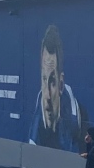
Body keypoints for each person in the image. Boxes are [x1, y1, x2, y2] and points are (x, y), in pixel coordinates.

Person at [28, 24, 85, 152]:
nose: (47, 95)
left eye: (52, 82)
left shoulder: (75, 119)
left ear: (61, 84)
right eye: (44, 79)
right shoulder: (36, 129)